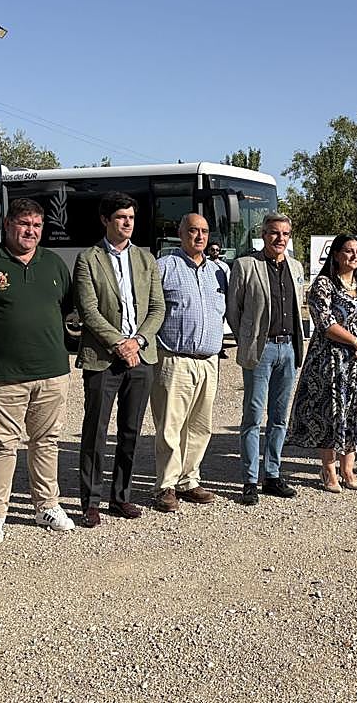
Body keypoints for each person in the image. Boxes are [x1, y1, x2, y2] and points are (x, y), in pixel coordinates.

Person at [0, 198, 76, 543]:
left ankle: (46, 505)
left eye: (37, 226)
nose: (30, 231)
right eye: (24, 224)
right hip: (3, 373)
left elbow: (65, 307)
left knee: (47, 441)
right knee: (3, 445)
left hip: (52, 371)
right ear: (8, 225)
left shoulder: (53, 264)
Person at [72, 192, 165, 527]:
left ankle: (120, 496)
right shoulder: (88, 259)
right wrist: (119, 344)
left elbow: (158, 308)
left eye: (131, 217)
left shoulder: (146, 259)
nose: (128, 223)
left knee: (130, 431)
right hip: (102, 358)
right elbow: (89, 311)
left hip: (141, 357)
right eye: (121, 217)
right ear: (105, 221)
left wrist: (137, 341)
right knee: (95, 430)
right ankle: (91, 501)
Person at [287, 234, 357, 492]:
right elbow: (325, 321)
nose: (354, 256)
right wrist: (355, 341)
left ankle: (348, 468)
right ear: (337, 254)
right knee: (329, 413)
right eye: (349, 251)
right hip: (331, 362)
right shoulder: (324, 285)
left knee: (355, 413)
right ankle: (329, 469)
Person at [226, 213, 305, 506]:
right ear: (263, 234)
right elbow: (233, 310)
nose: (280, 238)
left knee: (280, 416)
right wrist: (246, 339)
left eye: (285, 233)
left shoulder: (296, 267)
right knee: (253, 414)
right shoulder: (246, 265)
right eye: (274, 233)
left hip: (288, 349)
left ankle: (272, 473)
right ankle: (249, 479)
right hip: (261, 350)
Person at [150, 213, 226, 513]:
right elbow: (151, 308)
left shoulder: (220, 271)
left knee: (200, 425)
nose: (199, 236)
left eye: (204, 231)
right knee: (170, 425)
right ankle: (165, 486)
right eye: (193, 230)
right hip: (175, 359)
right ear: (180, 233)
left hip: (209, 361)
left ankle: (189, 479)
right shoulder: (165, 267)